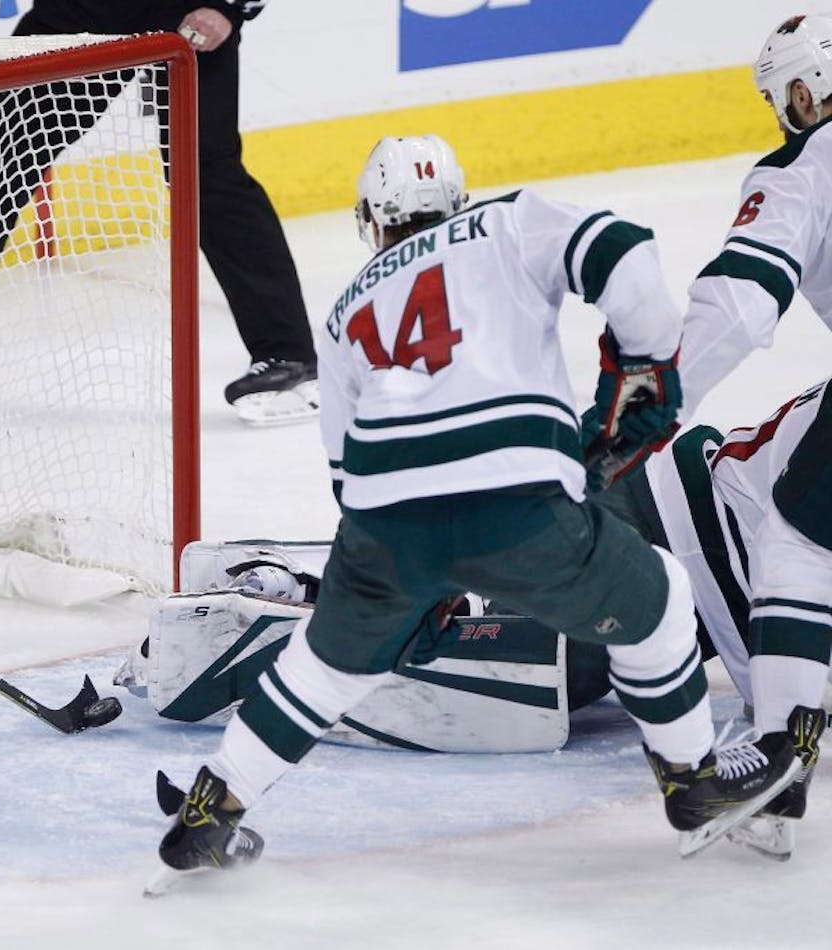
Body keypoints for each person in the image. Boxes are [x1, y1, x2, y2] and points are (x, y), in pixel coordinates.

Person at [148, 134, 797, 891]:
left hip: (383, 520)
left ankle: (212, 806)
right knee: (658, 595)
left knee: (324, 670)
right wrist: (647, 366)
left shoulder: (346, 306)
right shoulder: (506, 223)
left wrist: (404, 579)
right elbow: (620, 248)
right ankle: (693, 780)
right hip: (514, 495)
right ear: (454, 197)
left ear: (373, 219)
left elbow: (342, 472)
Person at [0, 0, 320, 424]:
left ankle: (287, 353)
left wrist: (229, 6)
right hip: (84, 7)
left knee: (206, 171)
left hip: (189, 6)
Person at [657, 10, 832, 849]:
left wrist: (652, 395)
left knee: (797, 540)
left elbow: (740, 297)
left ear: (806, 90)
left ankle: (779, 751)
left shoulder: (807, 164)